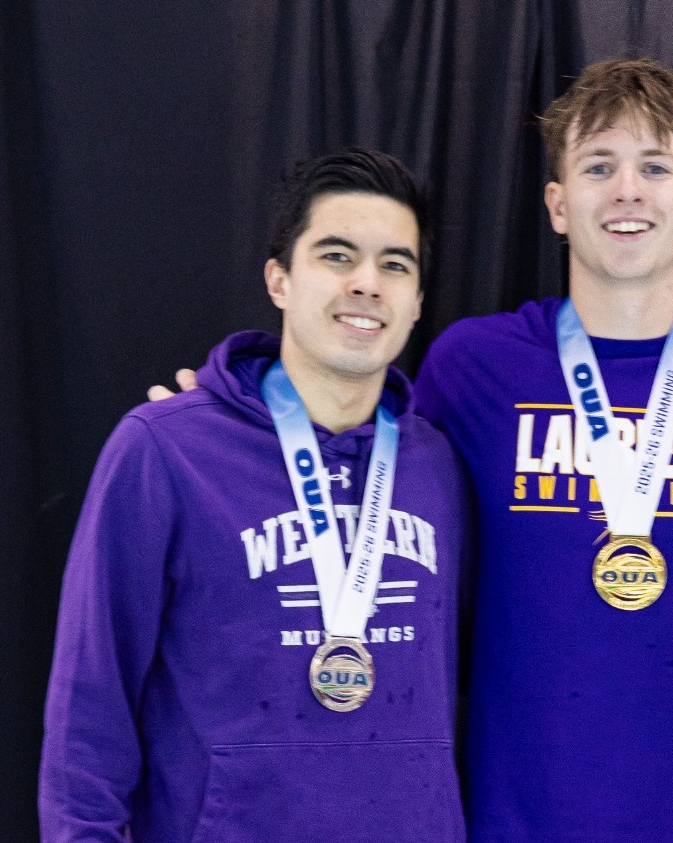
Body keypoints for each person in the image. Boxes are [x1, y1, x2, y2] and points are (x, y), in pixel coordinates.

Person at [412, 58, 673, 841]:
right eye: (599, 166)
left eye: (654, 166)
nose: (627, 189)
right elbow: (356, 474)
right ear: (557, 204)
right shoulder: (471, 365)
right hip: (515, 816)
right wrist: (231, 416)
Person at [41, 149, 469, 843]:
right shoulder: (163, 450)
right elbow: (90, 703)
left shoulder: (437, 465)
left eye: (395, 264)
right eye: (336, 255)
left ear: (418, 300)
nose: (367, 283)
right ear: (279, 279)